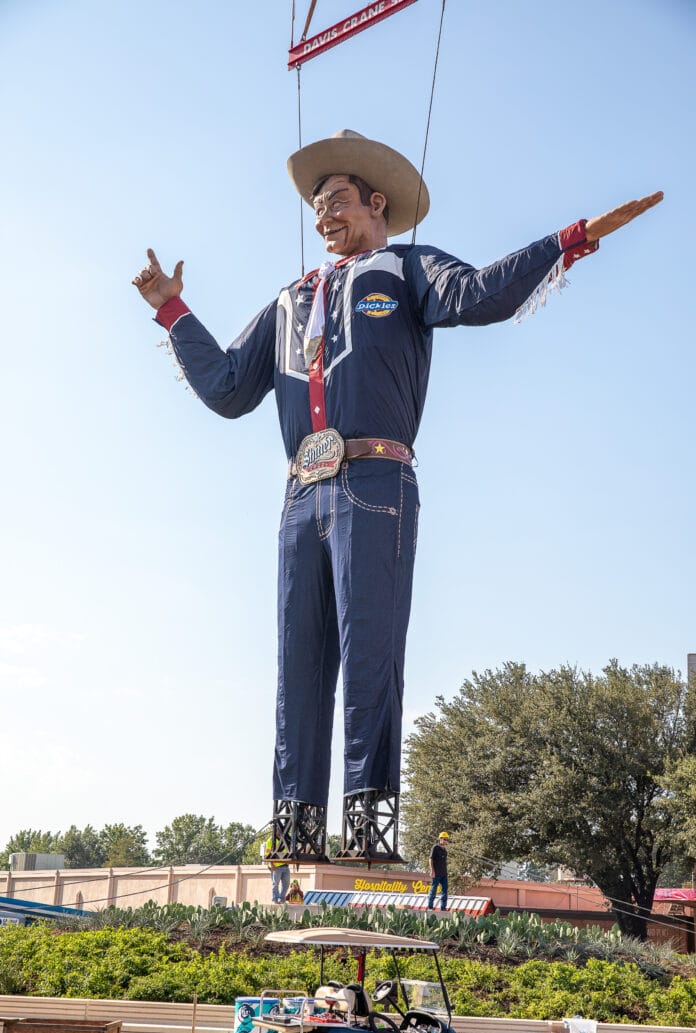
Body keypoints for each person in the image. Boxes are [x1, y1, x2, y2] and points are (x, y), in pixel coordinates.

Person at [133, 129, 662, 863]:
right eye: (318, 207)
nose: (325, 216)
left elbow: (480, 296)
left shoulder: (407, 267)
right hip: (300, 496)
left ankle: (370, 837)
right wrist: (172, 311)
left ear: (376, 203)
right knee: (299, 668)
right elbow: (227, 388)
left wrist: (568, 241)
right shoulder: (290, 300)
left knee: (371, 655)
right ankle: (295, 836)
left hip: (376, 483)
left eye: (338, 201)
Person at [427, 831, 449, 912]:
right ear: (440, 839)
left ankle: (443, 908)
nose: (445, 841)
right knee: (433, 889)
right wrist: (432, 870)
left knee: (445, 891)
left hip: (444, 874)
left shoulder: (445, 851)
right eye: (444, 839)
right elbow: (430, 859)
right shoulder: (435, 848)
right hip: (436, 873)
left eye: (446, 839)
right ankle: (430, 907)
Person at [264, 837, 290, 903]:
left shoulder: (285, 839)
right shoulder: (270, 840)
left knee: (286, 884)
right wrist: (272, 865)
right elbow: (267, 854)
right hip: (276, 866)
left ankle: (282, 899)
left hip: (285, 866)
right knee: (275, 884)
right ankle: (275, 899)